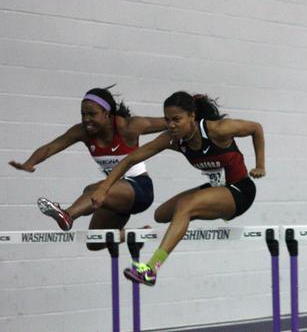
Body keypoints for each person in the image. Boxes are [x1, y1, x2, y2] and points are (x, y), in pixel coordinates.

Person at [91, 91, 265, 286]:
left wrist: (260, 165)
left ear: (192, 116)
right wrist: (104, 188)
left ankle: (151, 269)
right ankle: (193, 213)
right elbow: (131, 158)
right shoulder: (172, 139)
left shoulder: (218, 130)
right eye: (167, 120)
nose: (171, 125)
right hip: (217, 188)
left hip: (240, 190)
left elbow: (256, 129)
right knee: (161, 214)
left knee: (185, 205)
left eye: (176, 119)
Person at [8, 86, 165, 250]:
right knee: (94, 242)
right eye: (83, 114)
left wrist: (192, 119)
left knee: (92, 189)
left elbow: (169, 122)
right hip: (112, 194)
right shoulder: (83, 132)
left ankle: (67, 215)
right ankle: (133, 234)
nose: (86, 120)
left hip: (139, 189)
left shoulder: (129, 127)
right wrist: (30, 162)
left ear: (107, 113)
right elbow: (51, 147)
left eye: (92, 114)